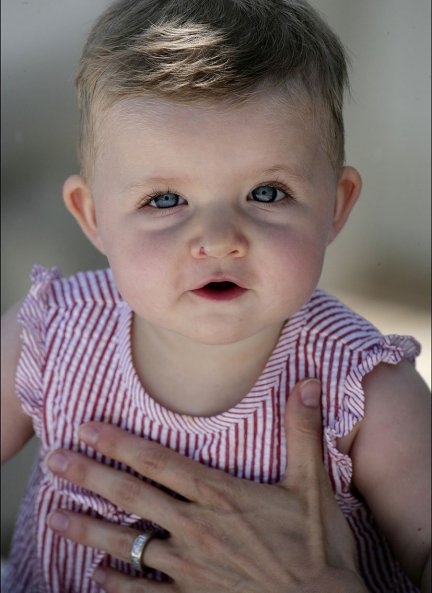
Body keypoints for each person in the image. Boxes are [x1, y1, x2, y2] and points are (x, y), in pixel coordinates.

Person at [0, 0, 430, 591]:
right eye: (166, 200)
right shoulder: (50, 333)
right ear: (93, 216)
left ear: (336, 204)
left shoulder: (365, 387)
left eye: (267, 192)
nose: (220, 241)